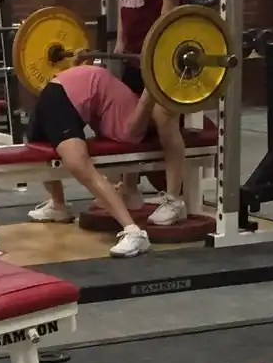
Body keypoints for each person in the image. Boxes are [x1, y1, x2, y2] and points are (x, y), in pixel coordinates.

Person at [86, 0, 187, 226]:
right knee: (125, 116)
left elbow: (170, 5)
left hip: (164, 52)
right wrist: (121, 41)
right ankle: (130, 189)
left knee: (162, 118)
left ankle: (174, 198)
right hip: (132, 51)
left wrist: (155, 48)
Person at [26, 62, 173, 258]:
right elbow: (144, 105)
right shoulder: (130, 116)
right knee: (42, 147)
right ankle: (58, 206)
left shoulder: (132, 127)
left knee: (77, 163)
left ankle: (134, 232)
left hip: (61, 91)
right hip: (61, 91)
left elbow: (145, 111)